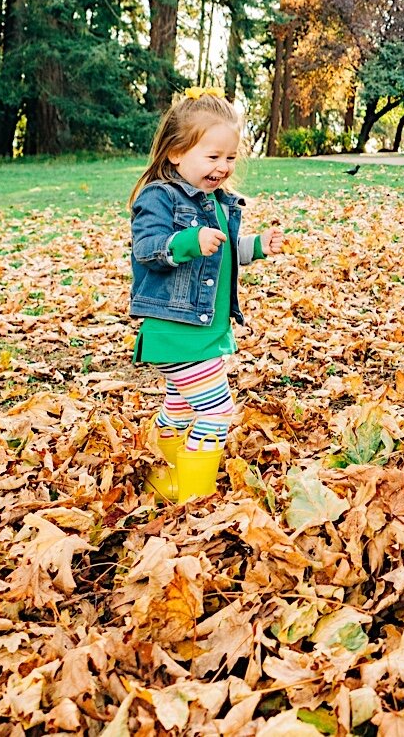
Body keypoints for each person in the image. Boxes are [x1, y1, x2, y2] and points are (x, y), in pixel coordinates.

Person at [129, 89, 285, 503]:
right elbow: (147, 250)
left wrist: (256, 246)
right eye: (212, 157)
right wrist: (187, 241)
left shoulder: (220, 202)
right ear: (177, 153)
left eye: (230, 158)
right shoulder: (159, 197)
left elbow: (224, 253)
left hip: (202, 332)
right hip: (176, 333)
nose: (222, 168)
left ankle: (165, 472)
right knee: (216, 413)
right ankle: (193, 494)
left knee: (180, 409)